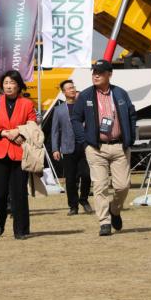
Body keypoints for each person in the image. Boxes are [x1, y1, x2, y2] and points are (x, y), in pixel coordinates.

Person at [72, 60, 138, 237]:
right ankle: (104, 222)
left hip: (119, 146)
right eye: (94, 72)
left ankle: (114, 209)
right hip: (96, 148)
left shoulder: (120, 93)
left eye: (100, 72)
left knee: (123, 186)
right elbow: (76, 119)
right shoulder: (85, 95)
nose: (95, 75)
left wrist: (131, 138)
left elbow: (132, 115)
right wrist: (85, 141)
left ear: (110, 74)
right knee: (100, 186)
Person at [0, 69, 37, 240]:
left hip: (20, 152)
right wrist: (4, 133)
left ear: (18, 86)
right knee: (0, 193)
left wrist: (20, 132)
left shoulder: (27, 104)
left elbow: (33, 125)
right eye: (6, 83)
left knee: (19, 193)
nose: (8, 86)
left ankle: (20, 230)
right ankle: (1, 217)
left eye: (12, 83)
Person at [51, 79, 92, 215]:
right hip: (67, 147)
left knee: (86, 174)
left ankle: (84, 199)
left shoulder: (84, 106)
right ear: (63, 92)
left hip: (85, 146)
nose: (72, 89)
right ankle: (73, 206)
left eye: (73, 87)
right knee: (70, 178)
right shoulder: (58, 110)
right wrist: (55, 149)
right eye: (69, 88)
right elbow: (55, 131)